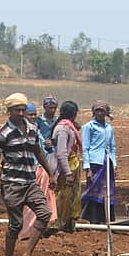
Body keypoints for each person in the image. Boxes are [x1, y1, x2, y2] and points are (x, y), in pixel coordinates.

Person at [0, 93, 57, 256]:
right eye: (17, 110)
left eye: (23, 110)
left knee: (45, 213)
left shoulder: (32, 129)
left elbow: (38, 152)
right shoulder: (2, 134)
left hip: (30, 182)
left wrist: (51, 174)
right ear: (9, 111)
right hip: (12, 184)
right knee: (16, 224)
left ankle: (26, 254)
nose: (21, 114)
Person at [21, 103, 58, 239]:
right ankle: (27, 231)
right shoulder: (23, 131)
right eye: (30, 114)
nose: (33, 117)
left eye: (34, 114)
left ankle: (36, 230)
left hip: (41, 168)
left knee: (42, 201)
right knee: (31, 203)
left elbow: (42, 151)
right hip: (31, 169)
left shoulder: (35, 130)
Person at [80, 100, 117, 223]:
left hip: (107, 163)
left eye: (102, 111)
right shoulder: (88, 127)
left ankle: (105, 217)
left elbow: (112, 147)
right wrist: (87, 168)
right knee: (93, 189)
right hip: (95, 163)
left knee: (107, 189)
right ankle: (90, 217)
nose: (100, 113)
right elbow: (85, 148)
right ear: (93, 112)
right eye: (97, 111)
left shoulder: (109, 128)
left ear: (106, 113)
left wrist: (114, 164)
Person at [51, 100, 82, 233]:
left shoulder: (69, 127)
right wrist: (68, 173)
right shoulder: (63, 129)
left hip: (72, 166)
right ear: (74, 114)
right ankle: (56, 224)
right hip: (66, 168)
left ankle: (68, 223)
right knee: (63, 196)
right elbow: (62, 153)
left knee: (71, 196)